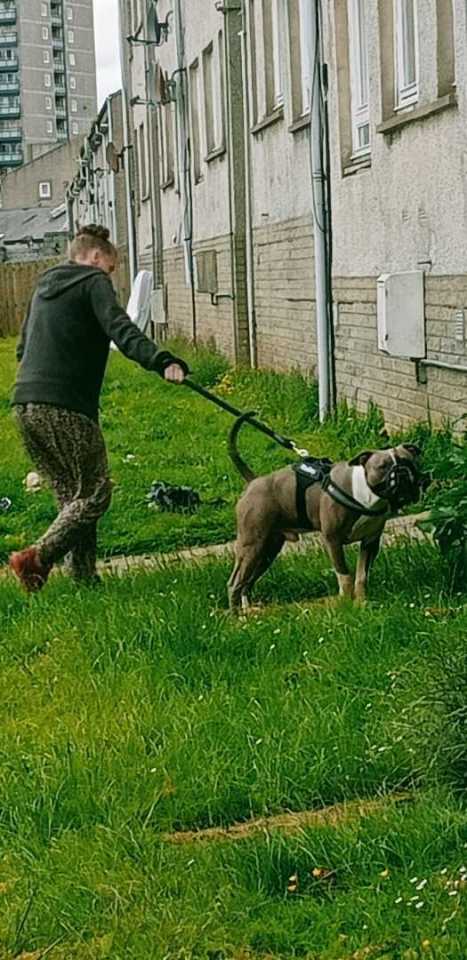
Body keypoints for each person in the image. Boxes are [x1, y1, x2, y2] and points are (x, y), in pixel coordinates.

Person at [10, 224, 188, 592]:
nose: (111, 274)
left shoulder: (44, 285)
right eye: (110, 267)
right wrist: (162, 360)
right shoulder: (92, 281)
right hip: (66, 407)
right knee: (95, 493)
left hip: (24, 403)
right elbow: (120, 327)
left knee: (71, 498)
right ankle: (36, 559)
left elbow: (22, 348)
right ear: (94, 257)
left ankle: (84, 579)